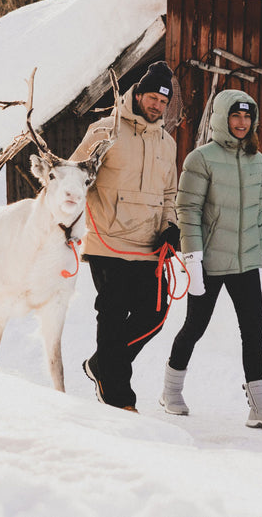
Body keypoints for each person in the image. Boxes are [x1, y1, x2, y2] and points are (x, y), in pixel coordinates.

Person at [159, 89, 262, 429]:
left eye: (247, 116)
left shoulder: (257, 160)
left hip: (245, 262)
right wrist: (192, 258)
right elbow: (187, 209)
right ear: (221, 118)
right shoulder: (200, 159)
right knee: (195, 326)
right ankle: (171, 391)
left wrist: (258, 246)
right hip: (209, 260)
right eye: (235, 115)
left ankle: (259, 407)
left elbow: (258, 212)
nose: (242, 122)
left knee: (254, 330)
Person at [70, 60, 181, 411]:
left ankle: (102, 363)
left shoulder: (167, 143)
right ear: (139, 94)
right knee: (114, 315)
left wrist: (171, 228)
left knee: (156, 315)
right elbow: (74, 177)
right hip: (108, 241)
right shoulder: (105, 130)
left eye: (163, 102)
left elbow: (169, 195)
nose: (157, 106)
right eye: (152, 98)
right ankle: (118, 397)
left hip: (148, 246)